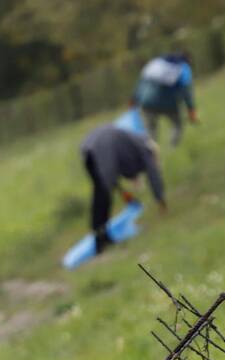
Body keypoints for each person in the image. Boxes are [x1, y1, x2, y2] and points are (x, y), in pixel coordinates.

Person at [80, 125, 167, 254]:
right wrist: (161, 200)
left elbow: (118, 165)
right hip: (101, 149)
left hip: (89, 149)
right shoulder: (146, 149)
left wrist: (122, 192)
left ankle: (103, 237)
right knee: (103, 196)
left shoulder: (134, 142)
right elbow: (153, 175)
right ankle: (100, 241)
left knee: (101, 194)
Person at [132, 53, 198, 147]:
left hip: (146, 103)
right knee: (177, 124)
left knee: (151, 132)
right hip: (168, 103)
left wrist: (134, 99)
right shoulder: (184, 68)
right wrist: (191, 110)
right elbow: (186, 91)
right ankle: (173, 148)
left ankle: (150, 155)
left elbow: (141, 83)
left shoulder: (155, 63)